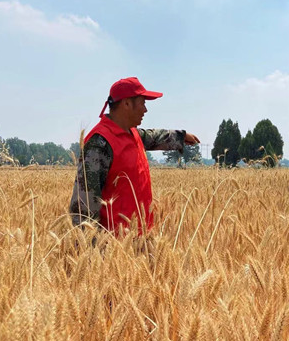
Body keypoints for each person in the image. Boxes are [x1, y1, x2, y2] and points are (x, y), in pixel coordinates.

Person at [69, 77, 200, 233]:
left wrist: (181, 137)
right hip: (113, 249)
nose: (145, 110)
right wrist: (89, 249)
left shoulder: (132, 133)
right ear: (126, 104)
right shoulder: (100, 143)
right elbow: (84, 207)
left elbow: (154, 136)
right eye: (142, 103)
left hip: (140, 239)